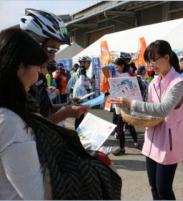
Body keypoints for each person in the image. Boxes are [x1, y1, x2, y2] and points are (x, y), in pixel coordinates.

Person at [0, 28, 121, 200]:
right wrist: (91, 166)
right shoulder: (9, 123)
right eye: (38, 67)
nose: (40, 74)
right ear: (20, 67)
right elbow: (39, 194)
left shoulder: (12, 111)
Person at [112, 40, 183, 200]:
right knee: (154, 187)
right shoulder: (154, 82)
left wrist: (131, 103)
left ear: (166, 57)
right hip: (151, 140)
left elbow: (162, 109)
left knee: (164, 190)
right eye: (149, 61)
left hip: (169, 143)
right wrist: (126, 107)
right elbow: (148, 107)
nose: (151, 65)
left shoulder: (179, 83)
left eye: (154, 60)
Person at [20, 8, 89, 123]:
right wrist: (65, 113)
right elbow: (31, 129)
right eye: (51, 50)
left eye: (56, 51)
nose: (53, 58)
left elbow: (48, 108)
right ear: (34, 45)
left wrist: (68, 106)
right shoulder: (17, 82)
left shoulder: (39, 77)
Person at [111, 58, 139, 156]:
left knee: (130, 125)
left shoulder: (129, 75)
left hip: (127, 104)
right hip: (118, 104)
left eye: (117, 66)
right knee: (120, 127)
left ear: (122, 65)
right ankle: (122, 148)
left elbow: (133, 89)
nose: (115, 68)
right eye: (114, 67)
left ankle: (135, 141)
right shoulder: (114, 75)